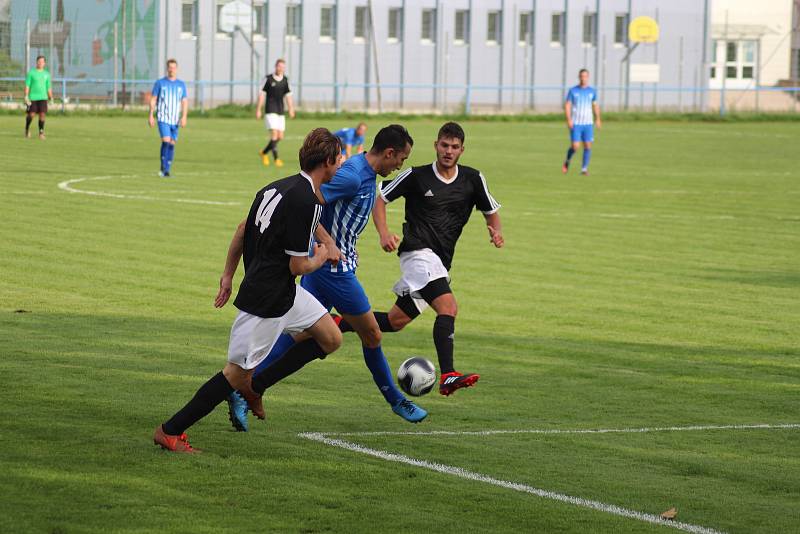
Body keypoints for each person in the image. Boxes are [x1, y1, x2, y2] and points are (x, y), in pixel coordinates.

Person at [222, 125, 427, 431]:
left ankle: (247, 387)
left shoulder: (363, 172)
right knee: (372, 334)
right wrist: (328, 244)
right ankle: (397, 400)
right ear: (389, 153)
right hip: (334, 270)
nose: (401, 165)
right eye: (401, 158)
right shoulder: (352, 175)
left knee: (304, 335)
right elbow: (309, 202)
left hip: (328, 265)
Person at [153, 128, 343, 453]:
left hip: (283, 292)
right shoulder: (308, 201)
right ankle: (171, 430)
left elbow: (243, 230)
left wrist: (227, 276)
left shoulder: (276, 188)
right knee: (233, 375)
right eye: (340, 159)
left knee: (330, 338)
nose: (341, 164)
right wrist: (324, 254)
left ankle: (254, 388)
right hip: (266, 300)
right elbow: (299, 266)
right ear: (327, 162)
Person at [344, 121, 503, 396]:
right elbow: (380, 198)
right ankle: (449, 374)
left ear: (462, 150)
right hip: (417, 253)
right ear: (436, 145)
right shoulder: (416, 176)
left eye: (454, 147)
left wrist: (495, 231)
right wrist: (384, 233)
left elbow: (490, 208)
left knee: (396, 321)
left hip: (439, 262)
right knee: (448, 307)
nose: (448, 151)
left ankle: (336, 322)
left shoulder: (473, 179)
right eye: (444, 145)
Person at [148, 59, 188, 178]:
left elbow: (184, 101)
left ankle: (167, 170)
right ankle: (163, 168)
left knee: (172, 143)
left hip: (175, 119)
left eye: (174, 67)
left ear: (177, 69)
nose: (172, 69)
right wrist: (151, 114)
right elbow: (153, 99)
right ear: (167, 69)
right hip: (163, 118)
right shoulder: (160, 83)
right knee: (166, 141)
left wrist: (184, 116)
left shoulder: (181, 85)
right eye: (170, 67)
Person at [562, 69, 601, 176]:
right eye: (581, 76)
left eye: (585, 76)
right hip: (576, 123)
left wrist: (598, 118)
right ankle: (567, 160)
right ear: (579, 77)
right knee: (575, 146)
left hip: (588, 124)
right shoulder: (573, 91)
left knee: (588, 146)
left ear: (588, 77)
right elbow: (567, 105)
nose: (583, 78)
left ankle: (584, 169)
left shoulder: (592, 91)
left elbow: (595, 105)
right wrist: (569, 119)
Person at [257, 59, 295, 167]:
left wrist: (291, 109)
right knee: (274, 134)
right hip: (270, 110)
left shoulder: (285, 80)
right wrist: (258, 109)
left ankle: (264, 153)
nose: (281, 68)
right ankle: (276, 159)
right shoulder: (268, 79)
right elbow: (261, 94)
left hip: (280, 111)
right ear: (275, 66)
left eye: (283, 67)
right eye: (279, 66)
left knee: (280, 136)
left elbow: (289, 96)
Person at [24, 55, 53, 140]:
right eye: (39, 61)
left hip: (43, 97)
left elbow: (49, 87)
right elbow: (27, 86)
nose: (40, 63)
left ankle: (41, 132)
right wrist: (26, 96)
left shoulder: (47, 74)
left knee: (42, 115)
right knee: (31, 115)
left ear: (44, 63)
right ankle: (27, 129)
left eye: (42, 62)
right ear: (36, 62)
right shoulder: (31, 73)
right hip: (33, 97)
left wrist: (51, 98)